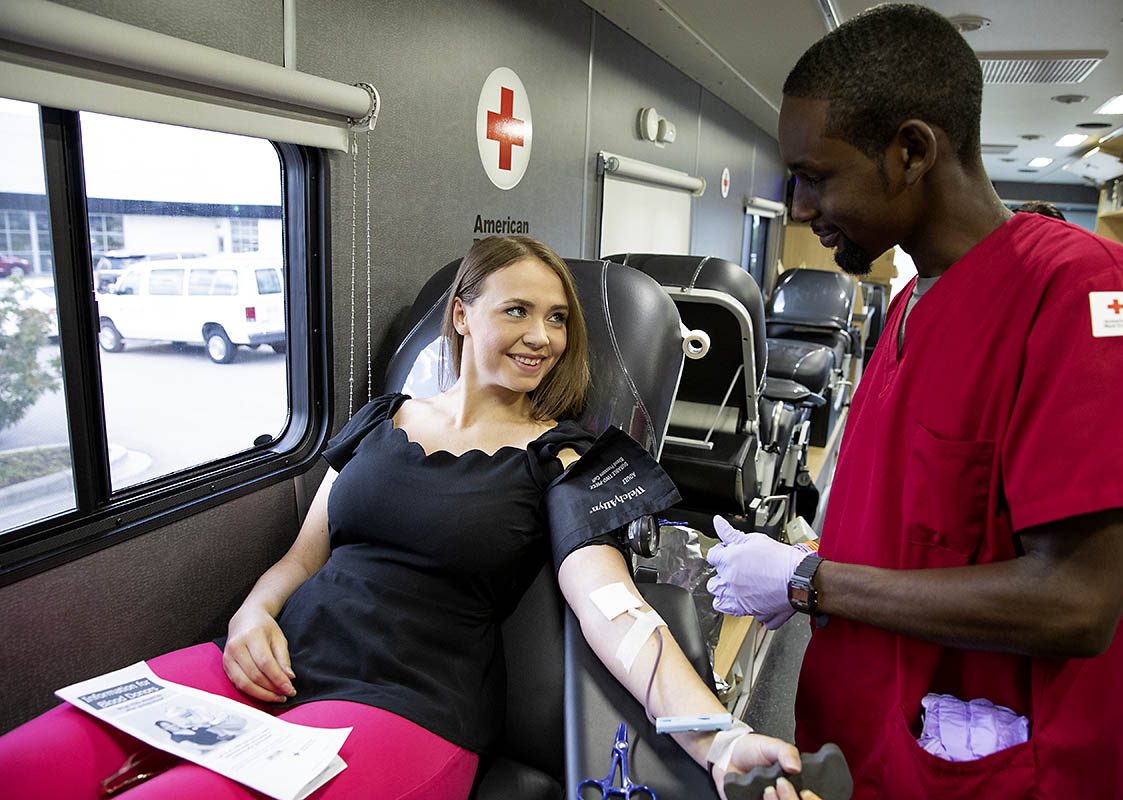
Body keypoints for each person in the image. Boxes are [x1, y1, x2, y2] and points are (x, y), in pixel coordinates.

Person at [0, 235, 803, 800]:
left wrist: (718, 737)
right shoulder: (382, 419)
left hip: (405, 702)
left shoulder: (563, 459)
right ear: (462, 314)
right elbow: (303, 556)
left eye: (559, 318)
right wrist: (253, 611)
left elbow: (615, 611)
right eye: (518, 310)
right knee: (26, 762)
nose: (543, 336)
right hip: (272, 660)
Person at [705, 5, 1123, 799]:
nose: (798, 210)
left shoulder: (1084, 293)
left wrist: (807, 580)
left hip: (986, 770)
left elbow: (1078, 601)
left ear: (913, 151)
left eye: (817, 177)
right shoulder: (910, 303)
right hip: (867, 741)